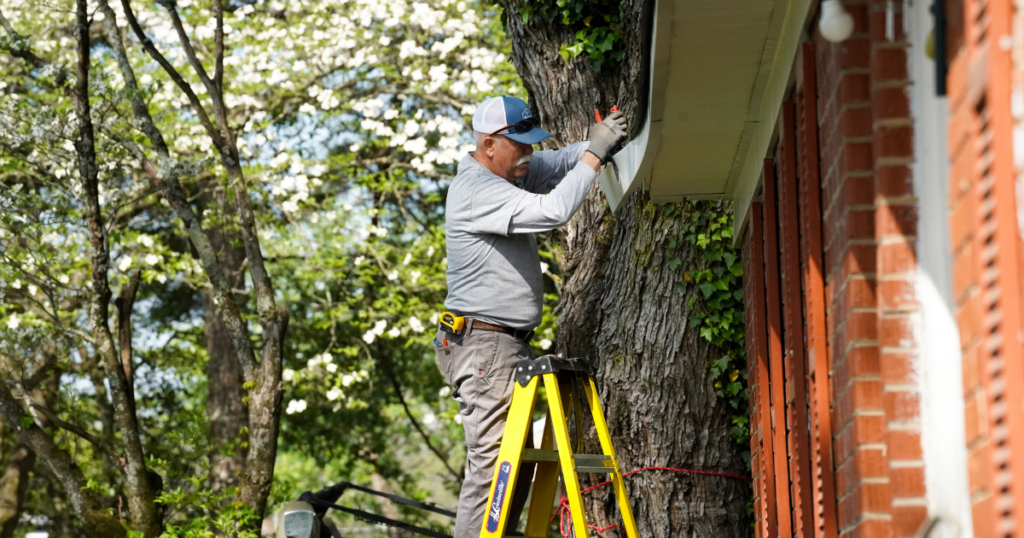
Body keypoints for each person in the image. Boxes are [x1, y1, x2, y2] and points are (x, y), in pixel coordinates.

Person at [433, 95, 628, 537]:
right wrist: (596, 153)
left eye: (530, 143)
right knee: (490, 472)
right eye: (519, 145)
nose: (529, 153)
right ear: (488, 145)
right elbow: (552, 212)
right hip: (483, 345)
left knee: (511, 466)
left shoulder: (507, 171)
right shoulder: (478, 191)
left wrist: (599, 142)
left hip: (498, 343)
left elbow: (558, 163)